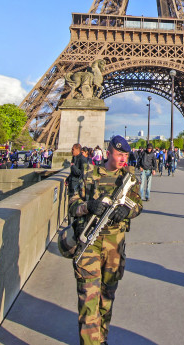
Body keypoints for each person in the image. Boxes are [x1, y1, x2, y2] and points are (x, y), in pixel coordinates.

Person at [66, 135, 143, 345]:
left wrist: (127, 210)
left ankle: (100, 339)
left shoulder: (130, 178)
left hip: (114, 246)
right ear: (109, 153)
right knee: (88, 299)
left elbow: (138, 204)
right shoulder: (88, 174)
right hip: (90, 242)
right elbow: (72, 206)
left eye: (126, 155)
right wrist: (88, 206)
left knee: (106, 300)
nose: (123, 159)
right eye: (119, 154)